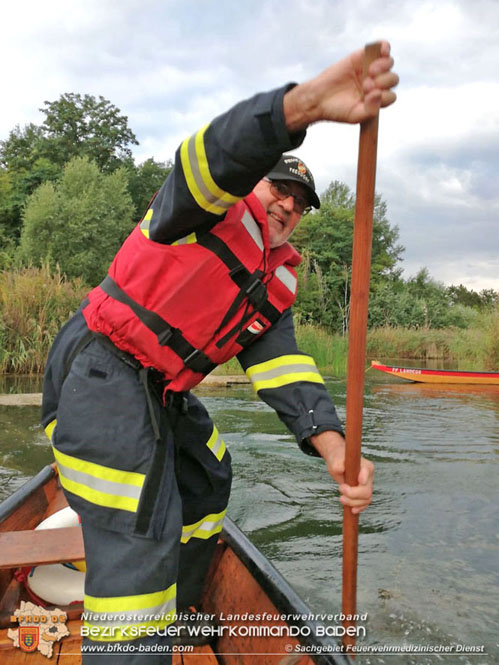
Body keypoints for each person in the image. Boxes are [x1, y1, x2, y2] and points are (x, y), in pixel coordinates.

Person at [41, 42, 398, 662]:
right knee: (140, 531)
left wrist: (336, 451)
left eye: (300, 203)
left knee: (207, 481)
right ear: (255, 183)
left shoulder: (277, 280)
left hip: (160, 392)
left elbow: (283, 367)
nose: (287, 204)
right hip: (98, 371)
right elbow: (212, 156)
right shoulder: (202, 208)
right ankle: (136, 634)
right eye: (279, 187)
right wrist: (299, 107)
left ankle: (178, 613)